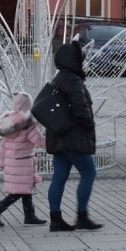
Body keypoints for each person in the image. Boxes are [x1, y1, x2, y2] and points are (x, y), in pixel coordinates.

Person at [44, 41, 102, 232]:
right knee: (89, 173)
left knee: (59, 176)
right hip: (73, 136)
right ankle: (82, 215)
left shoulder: (59, 78)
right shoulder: (73, 80)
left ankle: (55, 218)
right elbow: (81, 107)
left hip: (58, 134)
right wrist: (88, 125)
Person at [0, 92, 47, 227]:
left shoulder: (9, 122)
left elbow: (4, 145)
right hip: (23, 161)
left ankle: (29, 216)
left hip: (12, 161)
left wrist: (2, 162)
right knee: (20, 190)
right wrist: (54, 141)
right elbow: (39, 141)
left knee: (25, 188)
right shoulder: (28, 123)